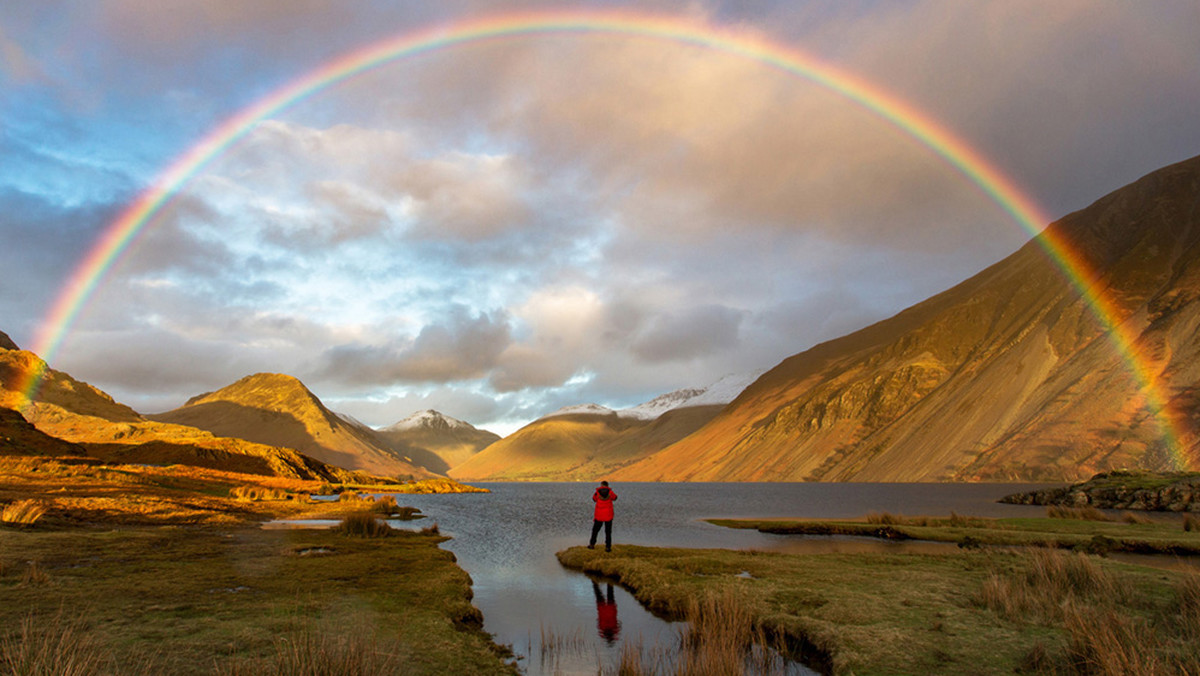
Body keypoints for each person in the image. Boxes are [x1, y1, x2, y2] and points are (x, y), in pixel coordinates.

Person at [588, 480, 618, 552]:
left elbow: (594, 499)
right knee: (608, 532)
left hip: (599, 515)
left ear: (601, 485)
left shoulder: (597, 493)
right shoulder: (610, 492)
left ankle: (592, 545)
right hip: (608, 515)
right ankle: (608, 547)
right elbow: (615, 498)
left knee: (595, 530)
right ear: (607, 485)